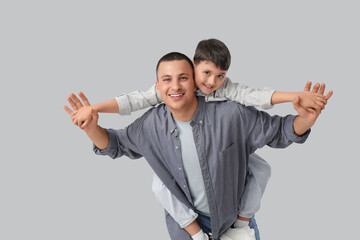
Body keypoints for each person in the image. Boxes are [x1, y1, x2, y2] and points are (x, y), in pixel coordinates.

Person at [68, 39, 332, 240]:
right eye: (167, 80)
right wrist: (92, 126)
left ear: (192, 78)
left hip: (234, 225)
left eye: (183, 78)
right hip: (187, 230)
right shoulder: (150, 125)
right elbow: (115, 145)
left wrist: (305, 120)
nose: (176, 86)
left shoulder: (231, 113)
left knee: (261, 167)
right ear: (158, 87)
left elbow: (279, 130)